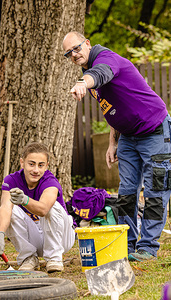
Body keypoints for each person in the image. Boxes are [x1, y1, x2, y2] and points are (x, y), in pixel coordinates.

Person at [62, 31, 171, 262]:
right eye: (69, 53)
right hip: (128, 137)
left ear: (87, 43)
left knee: (156, 190)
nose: (74, 54)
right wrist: (113, 142)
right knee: (127, 193)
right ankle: (129, 245)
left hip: (154, 130)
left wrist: (83, 82)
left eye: (77, 48)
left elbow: (100, 74)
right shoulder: (88, 73)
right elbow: (112, 109)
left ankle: (148, 249)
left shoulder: (106, 60)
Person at [0, 142, 75, 273]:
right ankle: (29, 257)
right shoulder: (11, 180)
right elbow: (5, 207)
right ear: (22, 163)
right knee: (10, 210)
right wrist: (0, 235)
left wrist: (25, 200)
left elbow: (43, 210)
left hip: (61, 239)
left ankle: (54, 258)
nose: (36, 170)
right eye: (31, 164)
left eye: (41, 165)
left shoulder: (50, 182)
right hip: (35, 237)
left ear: (46, 166)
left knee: (53, 207)